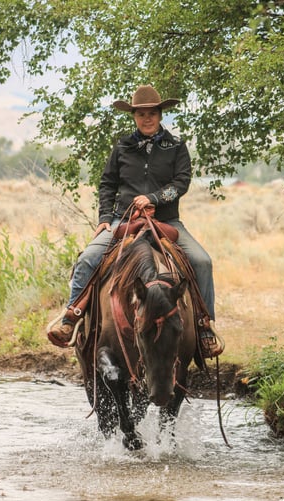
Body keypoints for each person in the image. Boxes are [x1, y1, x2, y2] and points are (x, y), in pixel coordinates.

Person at [47, 84, 221, 357]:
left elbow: (181, 183)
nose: (147, 118)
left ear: (160, 115)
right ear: (134, 117)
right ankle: (72, 317)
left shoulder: (176, 146)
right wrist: (105, 218)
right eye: (141, 114)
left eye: (152, 113)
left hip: (167, 222)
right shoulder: (122, 147)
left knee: (202, 261)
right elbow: (107, 184)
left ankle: (203, 325)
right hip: (123, 219)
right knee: (88, 258)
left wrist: (153, 198)